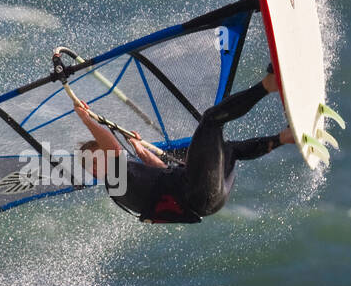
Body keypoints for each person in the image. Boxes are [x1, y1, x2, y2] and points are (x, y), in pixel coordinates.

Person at [73, 66, 293, 224]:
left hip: (210, 200)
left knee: (230, 150)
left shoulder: (122, 182)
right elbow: (113, 148)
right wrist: (86, 120)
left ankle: (285, 138)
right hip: (196, 191)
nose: (98, 162)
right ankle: (268, 85)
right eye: (92, 162)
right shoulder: (114, 181)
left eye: (96, 157)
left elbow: (162, 172)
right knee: (211, 120)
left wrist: (141, 151)